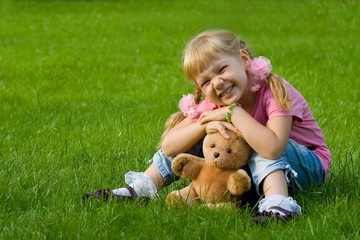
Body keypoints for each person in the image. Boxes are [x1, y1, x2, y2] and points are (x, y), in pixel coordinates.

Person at [84, 29, 331, 222]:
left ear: (243, 59)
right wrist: (205, 124)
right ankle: (141, 190)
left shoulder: (273, 90)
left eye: (222, 69)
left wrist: (232, 113)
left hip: (307, 165)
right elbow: (169, 145)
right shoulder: (215, 102)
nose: (218, 83)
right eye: (206, 82)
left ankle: (279, 205)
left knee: (255, 140)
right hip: (257, 167)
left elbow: (273, 148)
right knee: (202, 136)